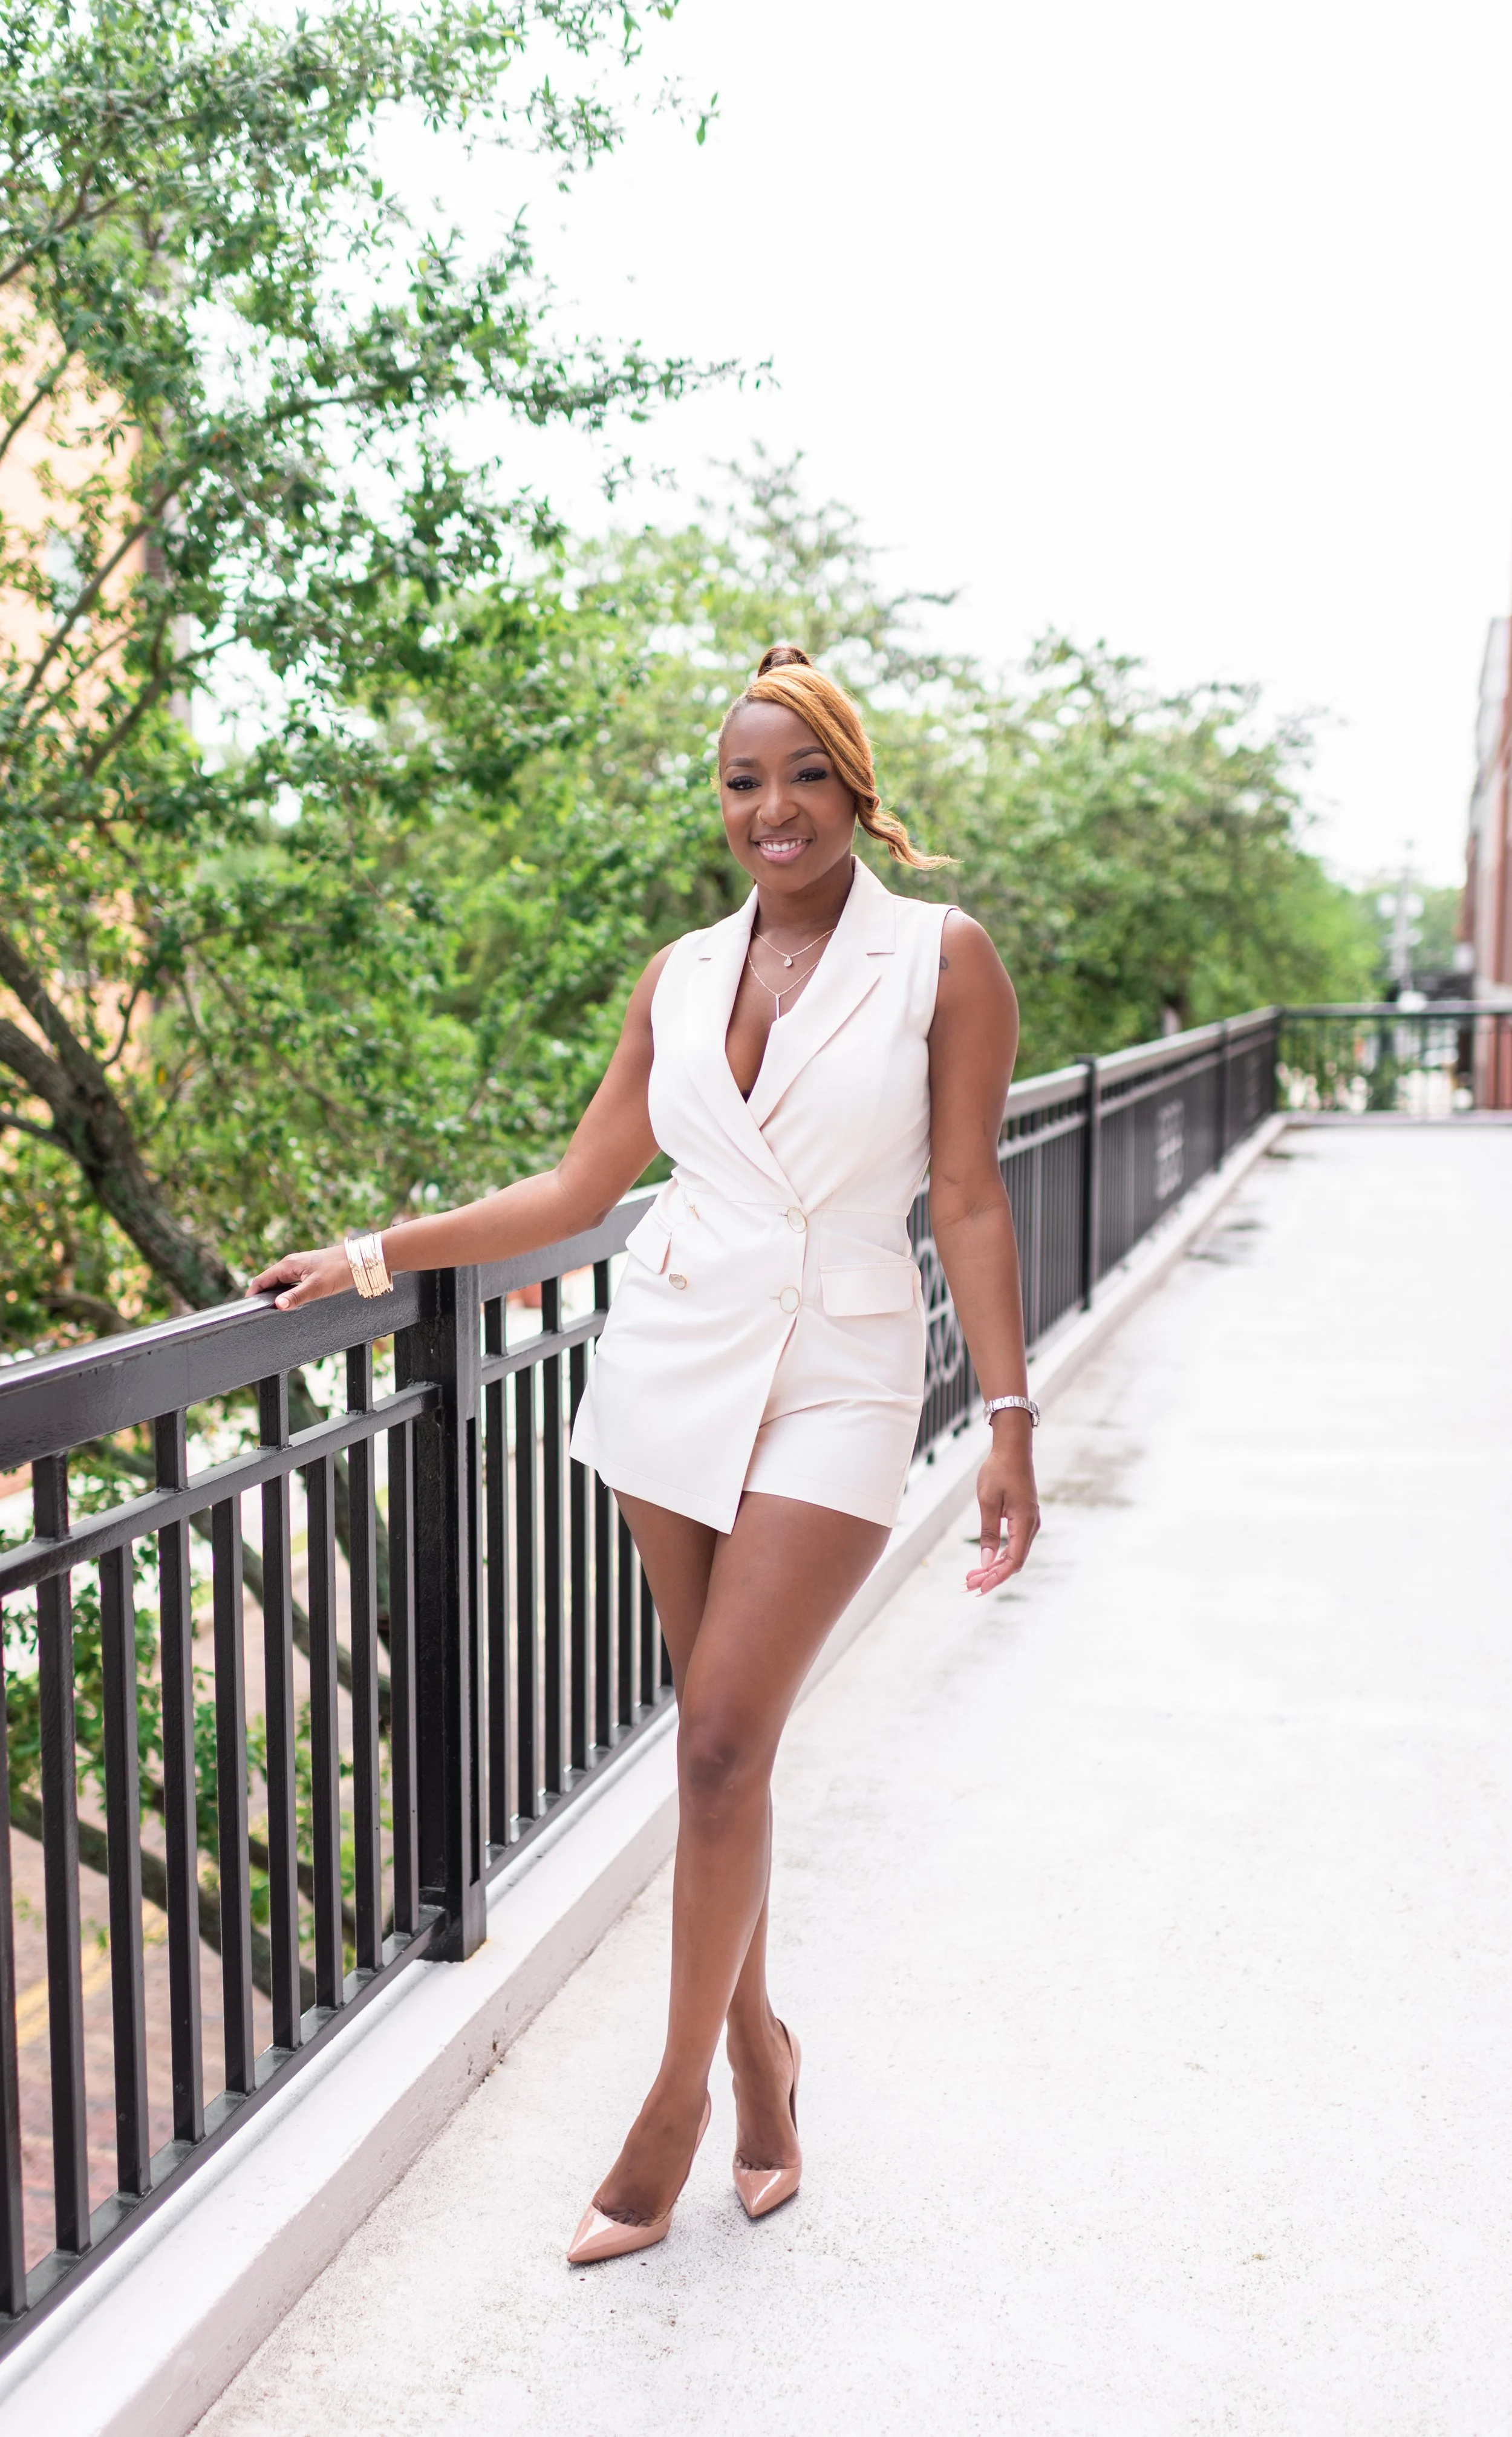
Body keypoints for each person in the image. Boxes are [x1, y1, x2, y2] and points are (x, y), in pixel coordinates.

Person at [251, 644, 1041, 2265]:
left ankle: (673, 2101)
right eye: (743, 781)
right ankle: (762, 2051)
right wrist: (372, 1252)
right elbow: (573, 1190)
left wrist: (1012, 1418)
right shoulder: (679, 974)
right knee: (714, 1758)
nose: (772, 809)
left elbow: (964, 1193)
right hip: (670, 1354)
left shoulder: (940, 961)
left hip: (837, 1361)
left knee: (722, 1746)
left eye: (803, 776)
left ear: (852, 787)